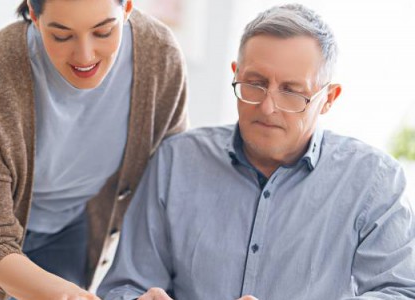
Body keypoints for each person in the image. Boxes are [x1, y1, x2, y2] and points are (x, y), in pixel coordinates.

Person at [98, 3, 415, 300]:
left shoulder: (376, 182)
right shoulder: (176, 161)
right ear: (235, 74)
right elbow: (125, 285)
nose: (267, 106)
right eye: (255, 82)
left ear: (329, 98)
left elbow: (400, 293)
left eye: (291, 91)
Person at [0, 0, 188, 299]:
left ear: (126, 9)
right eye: (62, 36)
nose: (85, 55)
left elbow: (168, 194)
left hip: (67, 224)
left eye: (103, 32)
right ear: (34, 16)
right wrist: (69, 295)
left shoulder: (160, 58)